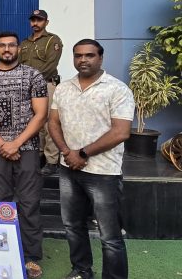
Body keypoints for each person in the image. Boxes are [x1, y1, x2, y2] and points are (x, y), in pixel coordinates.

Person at [48, 39, 134, 279]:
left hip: (103, 172)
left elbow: (121, 132)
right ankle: (82, 270)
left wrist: (83, 153)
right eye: (78, 55)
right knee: (73, 226)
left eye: (89, 55)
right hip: (69, 169)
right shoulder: (64, 88)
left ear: (100, 58)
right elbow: (53, 122)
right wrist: (66, 152)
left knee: (110, 236)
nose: (83, 60)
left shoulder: (117, 89)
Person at [0, 32, 48, 279]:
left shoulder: (33, 75)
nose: (7, 49)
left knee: (29, 202)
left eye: (11, 45)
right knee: (0, 202)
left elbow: (41, 114)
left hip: (27, 149)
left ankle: (31, 256)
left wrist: (16, 143)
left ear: (18, 49)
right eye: (2, 45)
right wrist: (2, 144)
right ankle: (1, 253)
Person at [19, 9, 64, 176]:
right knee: (34, 122)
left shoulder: (53, 40)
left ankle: (52, 160)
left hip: (46, 84)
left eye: (39, 20)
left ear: (46, 22)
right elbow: (19, 65)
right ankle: (39, 155)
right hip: (27, 87)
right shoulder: (25, 43)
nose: (35, 23)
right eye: (33, 20)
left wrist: (32, 80)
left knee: (49, 123)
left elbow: (51, 65)